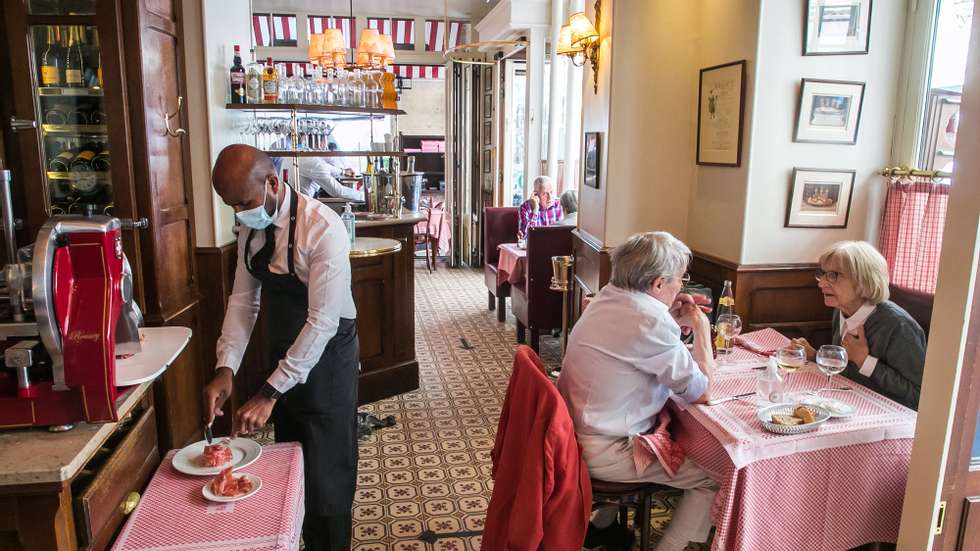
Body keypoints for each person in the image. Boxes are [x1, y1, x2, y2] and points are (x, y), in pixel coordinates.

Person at [203, 144, 359, 550]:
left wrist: (270, 391)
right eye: (231, 207)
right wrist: (225, 368)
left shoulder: (323, 228)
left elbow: (322, 322)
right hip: (285, 351)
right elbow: (243, 301)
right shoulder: (250, 231)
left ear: (273, 182)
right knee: (294, 465)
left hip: (329, 358)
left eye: (243, 203)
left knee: (328, 475)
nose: (239, 214)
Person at [557, 231, 717, 551]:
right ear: (658, 284)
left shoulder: (608, 295)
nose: (680, 288)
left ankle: (602, 528)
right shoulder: (647, 319)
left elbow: (636, 340)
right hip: (605, 449)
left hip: (574, 434)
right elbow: (702, 392)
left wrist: (668, 318)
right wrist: (700, 327)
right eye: (680, 280)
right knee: (712, 477)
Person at [793, 241, 926, 410]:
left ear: (864, 280)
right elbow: (847, 370)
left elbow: (919, 396)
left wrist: (865, 361)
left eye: (833, 275)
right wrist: (816, 356)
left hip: (886, 417)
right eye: (823, 274)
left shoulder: (899, 326)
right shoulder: (841, 309)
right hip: (848, 403)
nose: (821, 284)